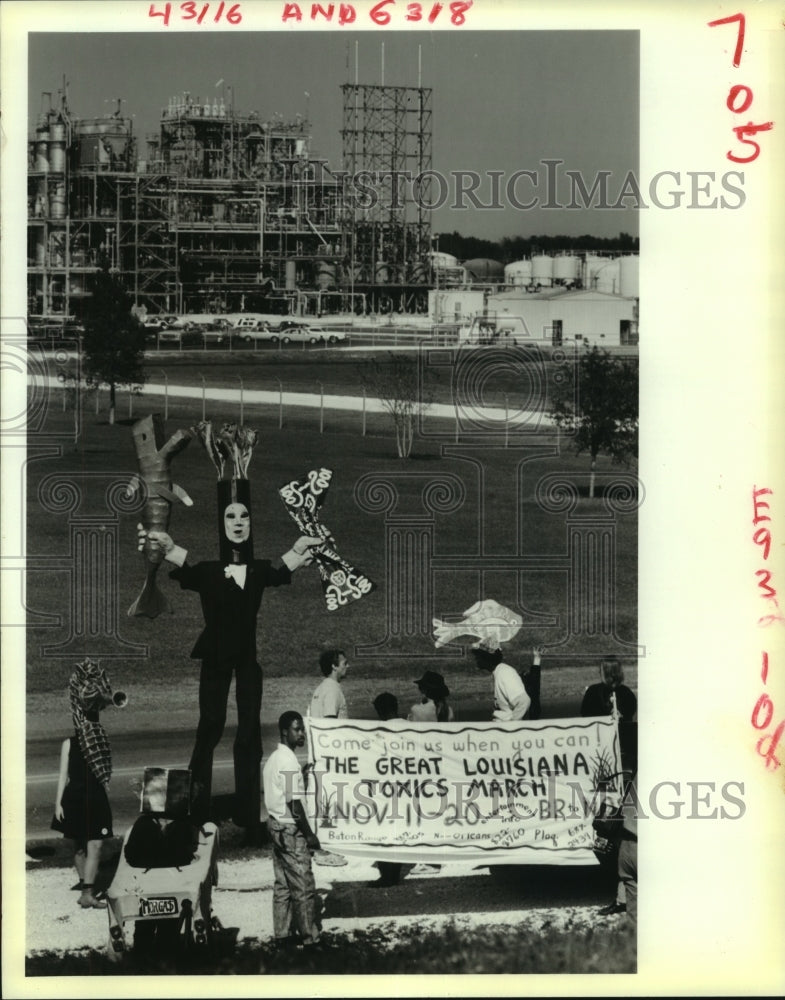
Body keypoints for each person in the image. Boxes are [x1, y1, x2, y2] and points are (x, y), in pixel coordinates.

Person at [137, 519, 322, 841]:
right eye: (231, 517)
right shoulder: (210, 571)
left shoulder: (256, 571)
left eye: (244, 517)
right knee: (209, 726)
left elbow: (277, 573)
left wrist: (297, 549)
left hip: (247, 659)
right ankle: (192, 812)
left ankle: (250, 817)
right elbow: (189, 569)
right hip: (215, 657)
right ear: (222, 524)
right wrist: (168, 549)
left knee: (249, 733)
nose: (238, 524)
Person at [51, 658, 123, 909]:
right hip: (78, 796)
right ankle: (86, 891)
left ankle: (87, 890)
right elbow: (63, 776)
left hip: (94, 795)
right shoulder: (69, 744)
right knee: (83, 845)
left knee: (94, 844)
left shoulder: (96, 736)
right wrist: (57, 803)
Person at [262, 711, 322, 948]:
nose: (302, 734)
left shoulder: (276, 758)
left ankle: (283, 935)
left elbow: (285, 791)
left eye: (303, 730)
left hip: (275, 826)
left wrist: (302, 776)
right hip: (289, 830)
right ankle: (311, 940)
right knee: (303, 886)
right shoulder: (287, 761)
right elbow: (294, 803)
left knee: (284, 885)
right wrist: (309, 834)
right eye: (297, 730)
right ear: (284, 731)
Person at [471, 641, 531, 721]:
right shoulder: (499, 672)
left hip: (507, 730)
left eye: (478, 656)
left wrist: (513, 725)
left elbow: (524, 701)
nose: (476, 659)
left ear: (487, 657)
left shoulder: (504, 672)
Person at [581, 657, 637, 722]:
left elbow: (585, 714)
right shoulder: (627, 692)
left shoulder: (592, 690)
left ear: (605, 672)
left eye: (601, 670)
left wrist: (621, 716)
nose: (599, 671)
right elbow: (585, 713)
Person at [309, 649, 349, 719]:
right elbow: (329, 723)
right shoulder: (332, 689)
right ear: (334, 666)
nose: (348, 666)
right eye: (344, 663)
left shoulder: (320, 688)